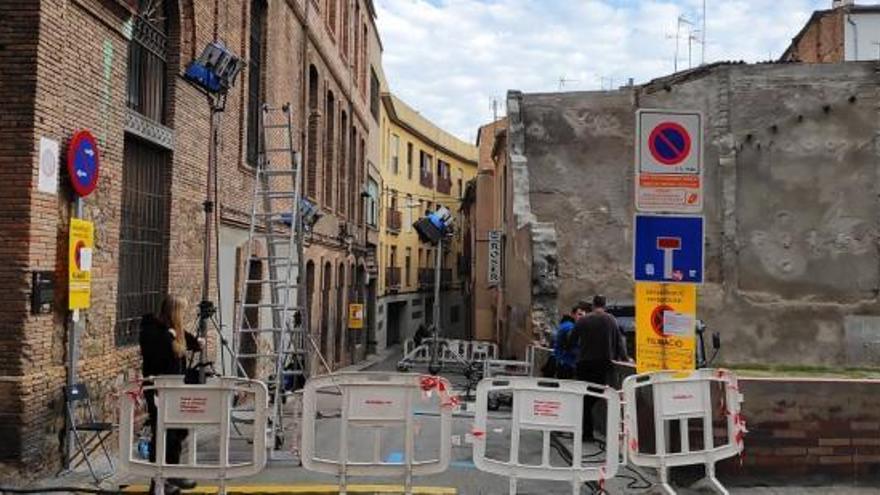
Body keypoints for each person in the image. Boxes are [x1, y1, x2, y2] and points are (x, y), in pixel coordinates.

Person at [139, 295, 201, 494]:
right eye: (182, 311)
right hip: (159, 390)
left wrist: (196, 341)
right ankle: (162, 477)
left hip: (175, 389)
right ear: (174, 312)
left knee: (179, 430)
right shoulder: (154, 331)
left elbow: (189, 342)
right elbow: (161, 352)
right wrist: (172, 336)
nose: (184, 315)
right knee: (165, 432)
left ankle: (169, 475)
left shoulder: (173, 331)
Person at [572, 295, 625, 441]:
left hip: (584, 363)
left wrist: (579, 351)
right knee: (598, 395)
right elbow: (619, 343)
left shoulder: (583, 320)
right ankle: (589, 432)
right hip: (603, 363)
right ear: (604, 305)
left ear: (593, 305)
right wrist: (625, 358)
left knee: (585, 396)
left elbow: (571, 340)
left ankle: (586, 432)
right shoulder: (610, 320)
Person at [554, 302, 592, 379]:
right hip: (567, 364)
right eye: (580, 314)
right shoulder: (570, 327)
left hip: (563, 362)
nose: (582, 317)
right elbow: (573, 344)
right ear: (573, 315)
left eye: (584, 315)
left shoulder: (565, 325)